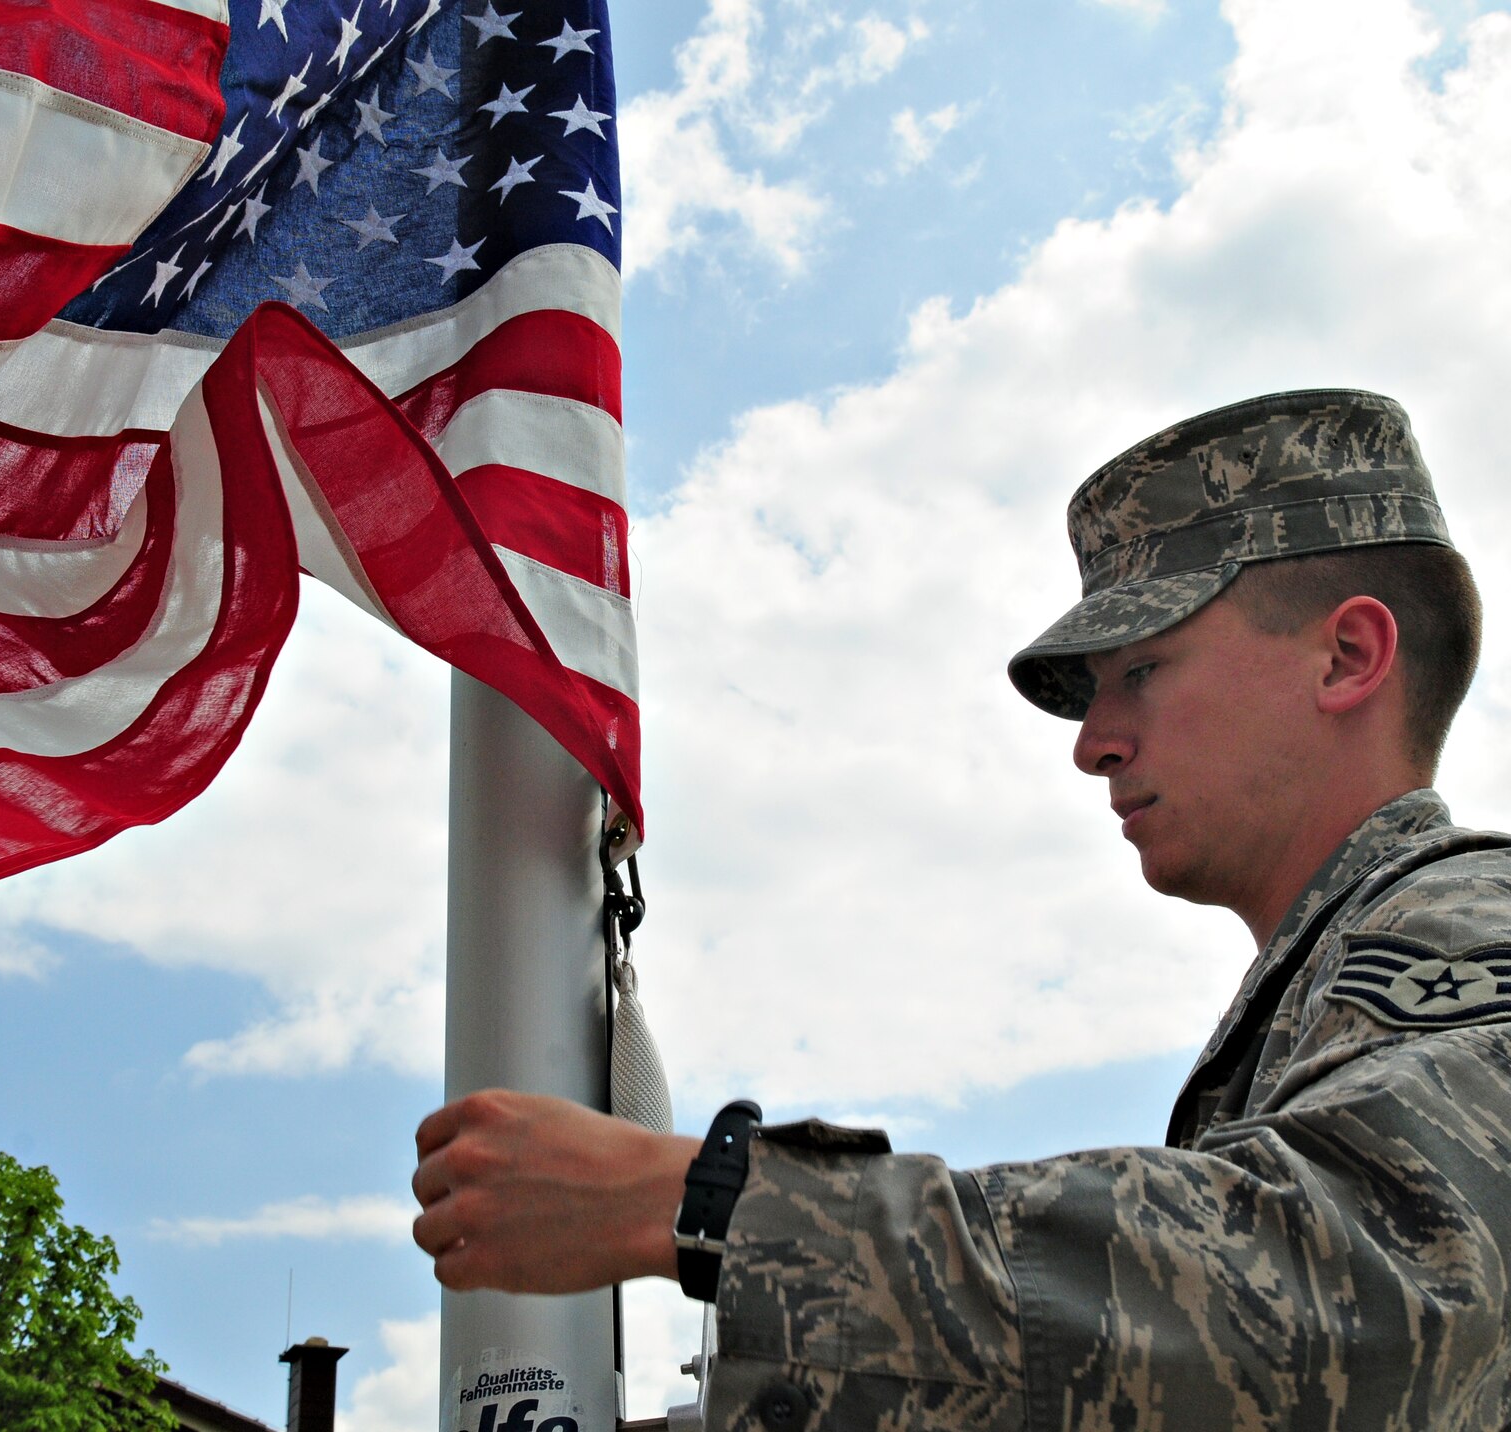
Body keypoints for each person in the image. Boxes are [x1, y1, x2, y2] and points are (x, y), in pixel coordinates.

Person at [411, 389, 1511, 1429]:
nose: (1093, 744)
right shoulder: (1330, 983)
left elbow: (1379, 1302)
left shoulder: (1469, 916)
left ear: (1346, 655)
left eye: (1143, 670)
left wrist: (714, 1206)